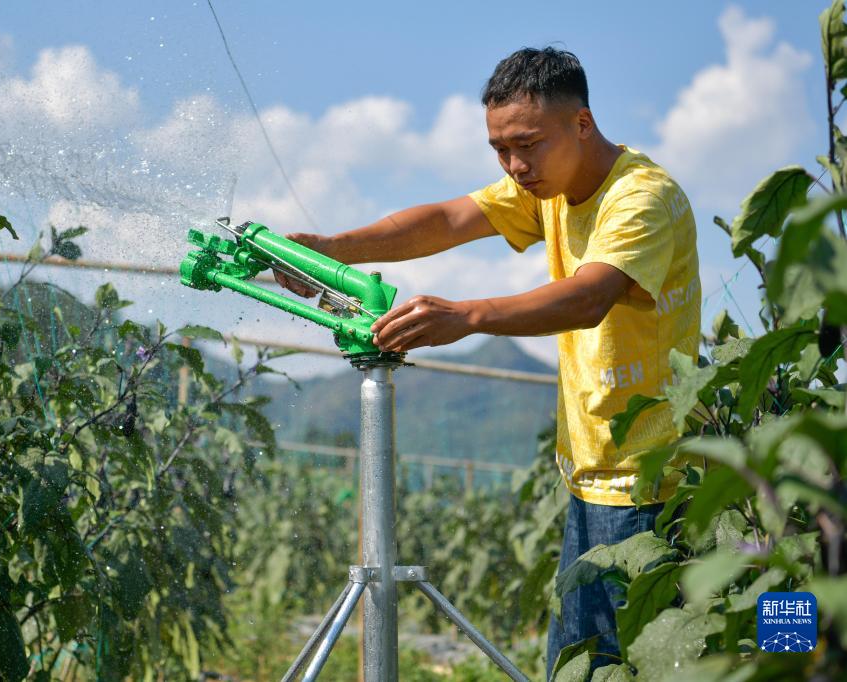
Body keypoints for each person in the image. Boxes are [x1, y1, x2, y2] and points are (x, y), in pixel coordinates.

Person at [274, 47, 700, 676]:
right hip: (592, 472)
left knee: (625, 665)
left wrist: (466, 316)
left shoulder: (640, 197)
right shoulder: (548, 187)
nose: (515, 165)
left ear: (582, 123)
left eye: (526, 145)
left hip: (651, 478)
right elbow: (449, 219)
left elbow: (589, 297)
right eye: (500, 150)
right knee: (581, 664)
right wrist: (334, 249)